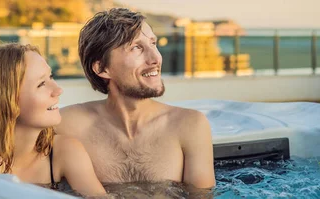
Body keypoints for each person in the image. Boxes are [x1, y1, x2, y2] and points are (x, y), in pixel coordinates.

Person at [55, 8, 216, 189]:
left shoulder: (190, 126)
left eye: (153, 44)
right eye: (136, 47)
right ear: (102, 68)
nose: (155, 58)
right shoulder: (66, 126)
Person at [0, 43, 106, 197]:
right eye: (41, 84)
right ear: (6, 100)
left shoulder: (63, 151)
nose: (58, 90)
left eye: (51, 77)